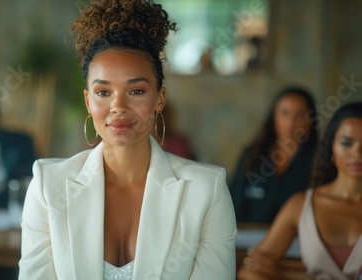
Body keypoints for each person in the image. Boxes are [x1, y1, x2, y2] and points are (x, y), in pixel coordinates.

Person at [18, 0, 237, 279]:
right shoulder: (48, 186)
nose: (118, 106)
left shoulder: (206, 189)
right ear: (87, 101)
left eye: (136, 91)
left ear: (160, 99)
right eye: (103, 92)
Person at [237, 102, 362, 280]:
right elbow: (249, 270)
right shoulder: (302, 205)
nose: (357, 152)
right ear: (332, 148)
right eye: (347, 143)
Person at [229, 86, 319, 224]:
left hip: (298, 242)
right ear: (274, 116)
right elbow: (233, 203)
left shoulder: (318, 161)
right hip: (245, 239)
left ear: (311, 121)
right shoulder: (253, 156)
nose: (291, 122)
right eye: (284, 113)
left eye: (300, 115)